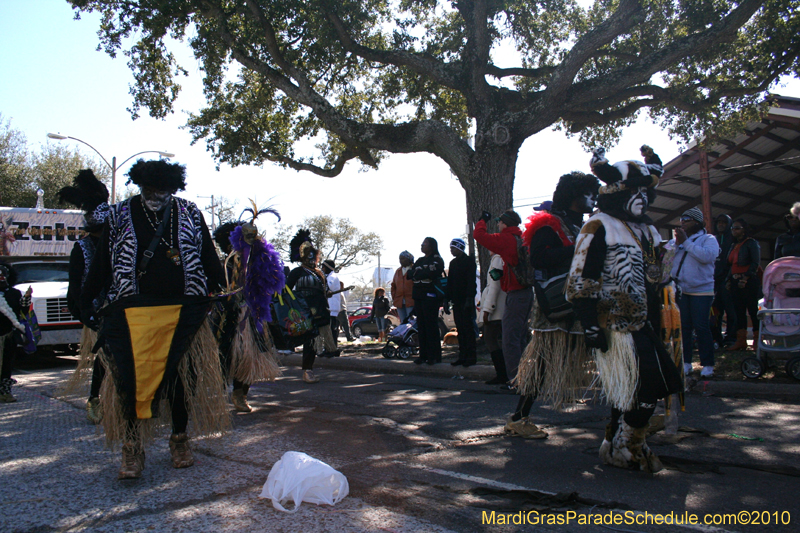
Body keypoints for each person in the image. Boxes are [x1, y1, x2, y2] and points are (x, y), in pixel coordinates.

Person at [81, 159, 229, 480]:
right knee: (130, 383)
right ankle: (133, 449)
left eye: (163, 190)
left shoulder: (189, 212)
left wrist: (222, 288)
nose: (156, 196)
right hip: (133, 316)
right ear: (140, 186)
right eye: (150, 189)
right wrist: (82, 299)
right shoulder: (120, 215)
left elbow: (207, 256)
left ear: (173, 189)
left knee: (180, 381)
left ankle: (179, 440)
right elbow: (103, 265)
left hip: (183, 313)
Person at [567, 146, 682, 472]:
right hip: (613, 323)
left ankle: (616, 444)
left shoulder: (645, 229)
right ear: (616, 192)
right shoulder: (598, 226)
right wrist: (590, 323)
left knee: (638, 387)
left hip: (644, 320)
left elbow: (656, 277)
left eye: (646, 193)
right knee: (647, 385)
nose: (642, 199)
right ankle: (628, 444)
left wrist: (668, 256)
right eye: (635, 192)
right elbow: (580, 279)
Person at [516, 171, 599, 439]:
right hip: (556, 307)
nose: (593, 199)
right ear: (574, 196)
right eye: (588, 194)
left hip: (583, 304)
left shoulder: (583, 226)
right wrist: (579, 249)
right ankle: (519, 418)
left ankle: (629, 418)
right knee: (541, 361)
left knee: (604, 351)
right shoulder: (549, 224)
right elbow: (539, 259)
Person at [212, 217, 284, 413]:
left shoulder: (256, 261)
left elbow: (273, 279)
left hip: (253, 316)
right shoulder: (225, 264)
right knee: (224, 356)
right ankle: (217, 394)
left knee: (251, 357)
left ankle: (240, 394)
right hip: (228, 317)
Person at [59, 169, 111, 423]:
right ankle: (96, 398)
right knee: (104, 357)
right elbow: (75, 287)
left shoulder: (120, 244)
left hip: (122, 308)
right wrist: (83, 312)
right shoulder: (81, 249)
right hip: (96, 313)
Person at [473, 209, 530, 385]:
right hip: (526, 293)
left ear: (504, 223)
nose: (497, 225)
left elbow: (479, 235)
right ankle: (524, 377)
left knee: (509, 341)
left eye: (499, 222)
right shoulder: (520, 239)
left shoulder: (506, 239)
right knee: (519, 339)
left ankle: (515, 380)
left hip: (516, 294)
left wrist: (483, 220)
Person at [669, 207, 720, 378]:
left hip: (701, 290)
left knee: (701, 326)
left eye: (687, 219)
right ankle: (686, 362)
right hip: (681, 290)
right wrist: (676, 245)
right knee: (683, 327)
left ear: (697, 222)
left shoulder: (708, 239)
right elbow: (666, 260)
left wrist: (687, 243)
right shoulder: (677, 241)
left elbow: (708, 257)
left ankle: (708, 365)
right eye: (681, 219)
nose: (683, 222)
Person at [286, 229, 337, 382]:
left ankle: (309, 369)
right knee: (309, 340)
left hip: (321, 310)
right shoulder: (297, 272)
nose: (311, 259)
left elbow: (324, 290)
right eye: (307, 255)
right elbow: (287, 291)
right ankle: (307, 371)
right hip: (304, 311)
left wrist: (326, 294)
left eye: (312, 256)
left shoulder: (319, 273)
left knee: (315, 341)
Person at [408, 237, 445, 365]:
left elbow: (431, 272)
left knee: (431, 326)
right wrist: (419, 271)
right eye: (422, 244)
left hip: (431, 297)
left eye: (425, 244)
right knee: (421, 326)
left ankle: (434, 356)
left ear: (432, 246)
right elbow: (410, 274)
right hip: (418, 296)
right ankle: (423, 355)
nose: (422, 246)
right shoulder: (420, 260)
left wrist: (419, 272)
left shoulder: (437, 259)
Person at [726, 219, 762, 351]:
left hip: (749, 281)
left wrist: (746, 277)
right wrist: (729, 280)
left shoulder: (751, 243)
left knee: (753, 310)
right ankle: (741, 341)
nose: (734, 231)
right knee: (739, 312)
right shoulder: (733, 245)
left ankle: (757, 341)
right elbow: (731, 265)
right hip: (735, 281)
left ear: (744, 230)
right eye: (732, 229)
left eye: (737, 228)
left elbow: (755, 263)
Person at [444, 238, 478, 366]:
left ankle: (471, 356)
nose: (451, 250)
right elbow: (450, 283)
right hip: (456, 301)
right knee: (460, 328)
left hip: (466, 300)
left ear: (459, 248)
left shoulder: (469, 261)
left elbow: (471, 281)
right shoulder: (453, 263)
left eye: (453, 248)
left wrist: (470, 298)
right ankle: (462, 355)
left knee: (468, 328)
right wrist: (447, 299)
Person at [0, 261, 29, 403]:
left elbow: (22, 312)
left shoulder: (14, 293)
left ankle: (5, 391)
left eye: (3, 274)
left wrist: (26, 302)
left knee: (7, 363)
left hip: (8, 336)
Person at [480, 252, 507, 384]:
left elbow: (495, 286)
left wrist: (487, 309)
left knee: (490, 339)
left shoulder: (497, 259)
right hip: (502, 307)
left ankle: (502, 373)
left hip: (496, 310)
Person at [712, 214, 737, 347]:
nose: (721, 225)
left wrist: (729, 277)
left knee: (731, 311)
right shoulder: (712, 239)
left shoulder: (733, 240)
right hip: (714, 280)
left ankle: (731, 338)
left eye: (724, 222)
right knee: (716, 312)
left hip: (728, 280)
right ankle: (717, 338)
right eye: (719, 222)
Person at [321, 259, 343, 344]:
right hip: (328, 308)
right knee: (328, 330)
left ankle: (332, 349)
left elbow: (326, 288)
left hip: (331, 308)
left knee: (331, 330)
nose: (322, 269)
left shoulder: (332, 277)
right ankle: (328, 348)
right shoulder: (328, 276)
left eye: (323, 267)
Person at [391, 251, 415, 323]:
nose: (401, 261)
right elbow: (393, 285)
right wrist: (394, 297)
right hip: (399, 301)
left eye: (403, 258)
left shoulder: (414, 270)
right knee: (402, 322)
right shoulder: (398, 271)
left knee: (411, 321)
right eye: (400, 259)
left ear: (409, 259)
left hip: (411, 300)